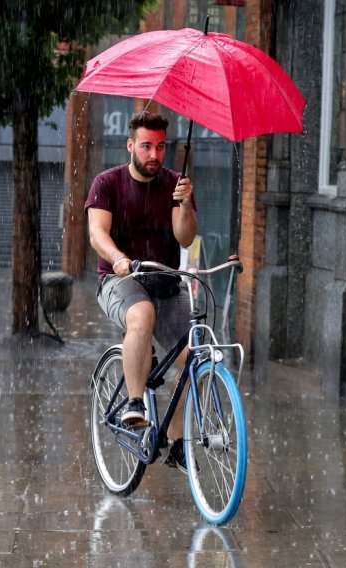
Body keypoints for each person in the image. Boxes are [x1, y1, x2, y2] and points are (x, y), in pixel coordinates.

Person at [84, 111, 197, 473]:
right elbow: (97, 233)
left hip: (164, 281)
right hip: (120, 280)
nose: (154, 155)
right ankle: (135, 403)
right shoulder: (108, 183)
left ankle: (177, 442)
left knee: (191, 356)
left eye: (161, 147)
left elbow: (185, 238)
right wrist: (118, 259)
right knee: (141, 315)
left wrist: (183, 204)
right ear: (130, 145)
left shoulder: (176, 184)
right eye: (146, 146)